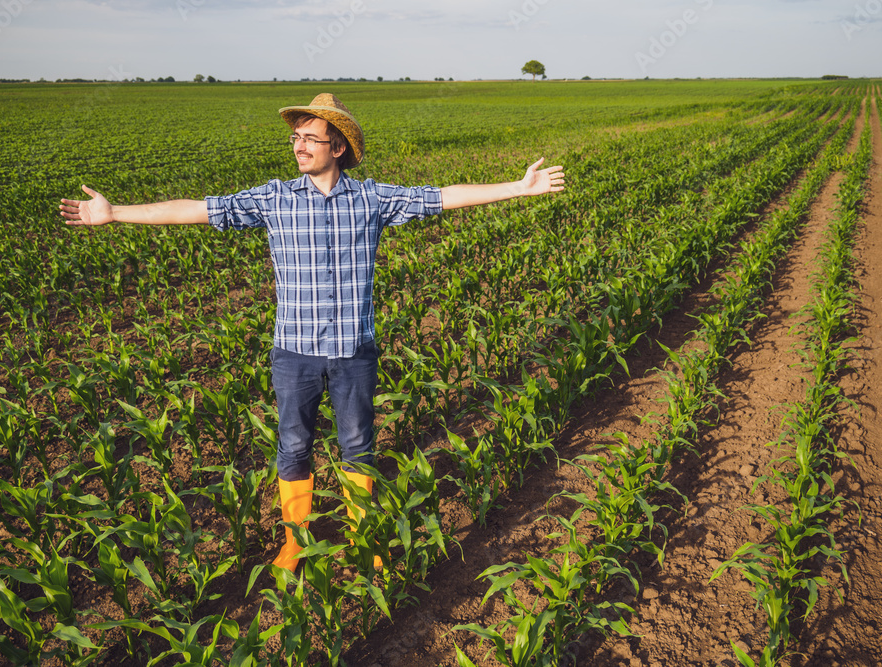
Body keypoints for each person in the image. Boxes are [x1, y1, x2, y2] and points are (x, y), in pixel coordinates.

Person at [59, 93, 565, 572]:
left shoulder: (372, 199)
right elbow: (197, 208)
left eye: (310, 138)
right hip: (294, 354)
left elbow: (441, 197)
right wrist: (116, 213)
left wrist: (518, 188)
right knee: (294, 445)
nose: (299, 145)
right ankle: (294, 543)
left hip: (352, 352)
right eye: (296, 137)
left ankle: (363, 542)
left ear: (338, 147)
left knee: (358, 444)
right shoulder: (274, 199)